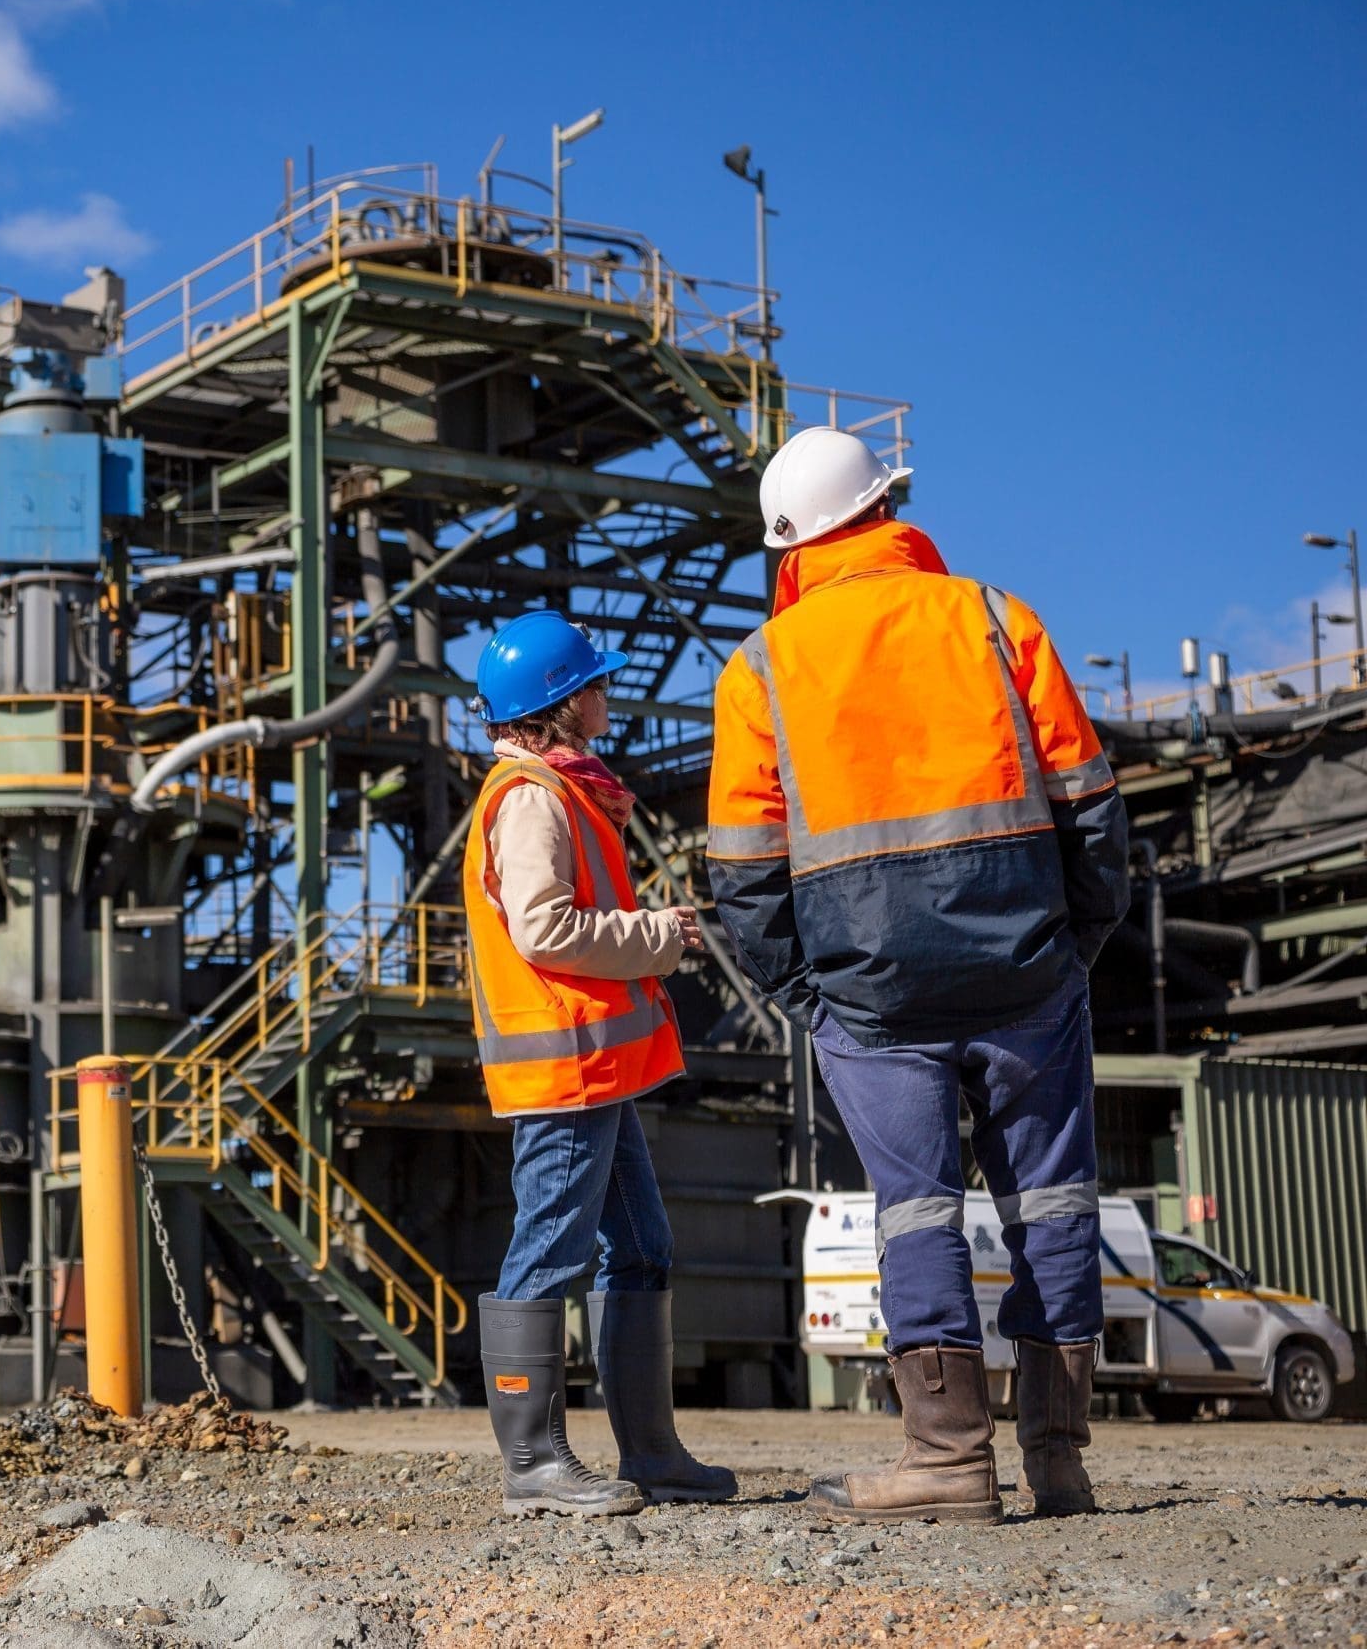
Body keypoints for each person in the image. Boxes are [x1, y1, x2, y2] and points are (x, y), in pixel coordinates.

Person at [706, 427, 1131, 1524]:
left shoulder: (759, 668)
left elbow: (744, 880)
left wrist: (810, 997)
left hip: (870, 997)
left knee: (913, 1214)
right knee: (1050, 1202)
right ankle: (1059, 1461)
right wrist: (1065, 951)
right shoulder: (996, 618)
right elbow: (1091, 811)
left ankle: (945, 1464)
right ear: (889, 510)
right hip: (1026, 976)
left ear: (792, 545)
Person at [463, 611, 738, 1517]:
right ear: (562, 701)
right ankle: (533, 1466)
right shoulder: (533, 795)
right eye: (596, 682)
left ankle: (652, 1455)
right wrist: (656, 936)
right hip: (566, 1070)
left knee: (644, 1246)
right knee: (550, 1246)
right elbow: (544, 928)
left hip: (596, 1072)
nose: (607, 692)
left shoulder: (566, 790)